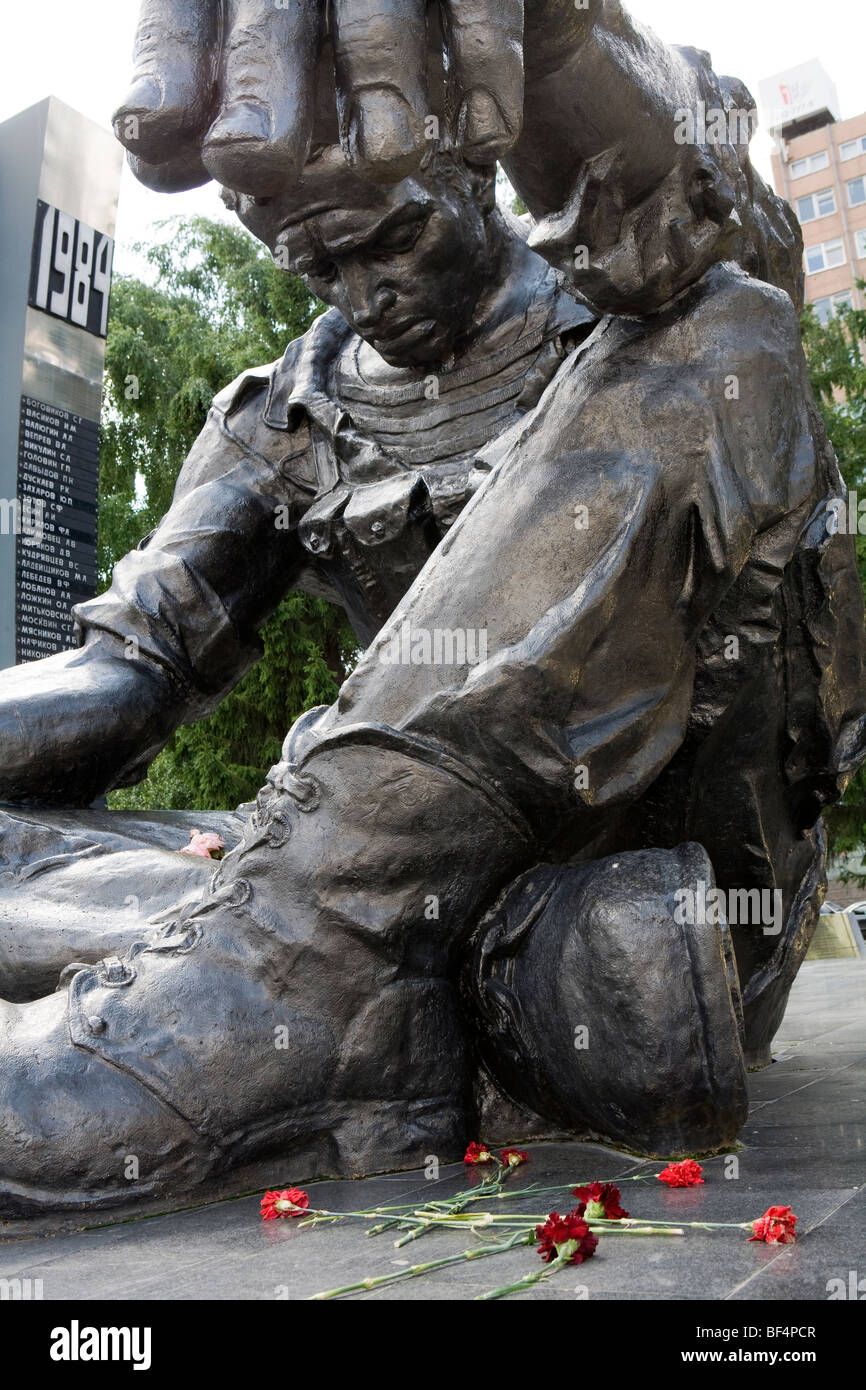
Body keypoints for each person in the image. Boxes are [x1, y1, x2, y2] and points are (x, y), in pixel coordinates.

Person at [1, 0, 864, 1216]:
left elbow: (724, 220)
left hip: (664, 882)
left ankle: (308, 952)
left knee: (724, 334)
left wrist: (561, 44)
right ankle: (332, 985)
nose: (366, 292)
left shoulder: (623, 302)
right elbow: (124, 674)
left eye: (390, 238)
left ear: (471, 164)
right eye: (318, 266)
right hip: (487, 927)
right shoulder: (281, 413)